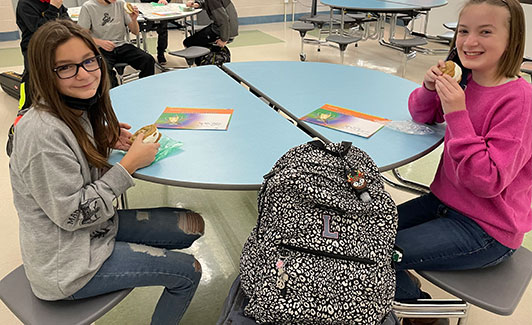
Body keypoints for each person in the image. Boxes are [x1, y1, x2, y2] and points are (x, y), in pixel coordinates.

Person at [9, 19, 204, 324]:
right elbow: (73, 215)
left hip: (92, 232)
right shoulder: (42, 134)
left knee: (193, 225)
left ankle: (130, 253)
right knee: (188, 271)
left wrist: (99, 142)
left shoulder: (74, 110)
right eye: (66, 67)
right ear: (44, 74)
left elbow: (77, 173)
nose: (85, 74)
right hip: (69, 265)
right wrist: (128, 166)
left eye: (89, 61)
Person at [395, 0, 531, 323]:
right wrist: (430, 89)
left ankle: (424, 314)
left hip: (486, 229)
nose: (469, 42)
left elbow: (487, 180)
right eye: (463, 31)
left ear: (511, 40)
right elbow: (422, 114)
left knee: (377, 251)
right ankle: (402, 285)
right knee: (366, 227)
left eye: (485, 32)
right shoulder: (465, 80)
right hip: (442, 204)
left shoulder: (520, 100)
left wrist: (458, 112)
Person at [77, 0, 155, 88]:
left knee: (148, 60)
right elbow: (81, 36)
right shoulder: (88, 7)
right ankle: (115, 96)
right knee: (105, 72)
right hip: (101, 49)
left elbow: (135, 31)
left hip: (121, 45)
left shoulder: (121, 4)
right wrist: (100, 42)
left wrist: (134, 19)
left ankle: (146, 89)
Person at [140, 0, 172, 65]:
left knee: (163, 30)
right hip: (146, 8)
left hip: (161, 9)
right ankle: (143, 56)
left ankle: (161, 53)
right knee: (143, 29)